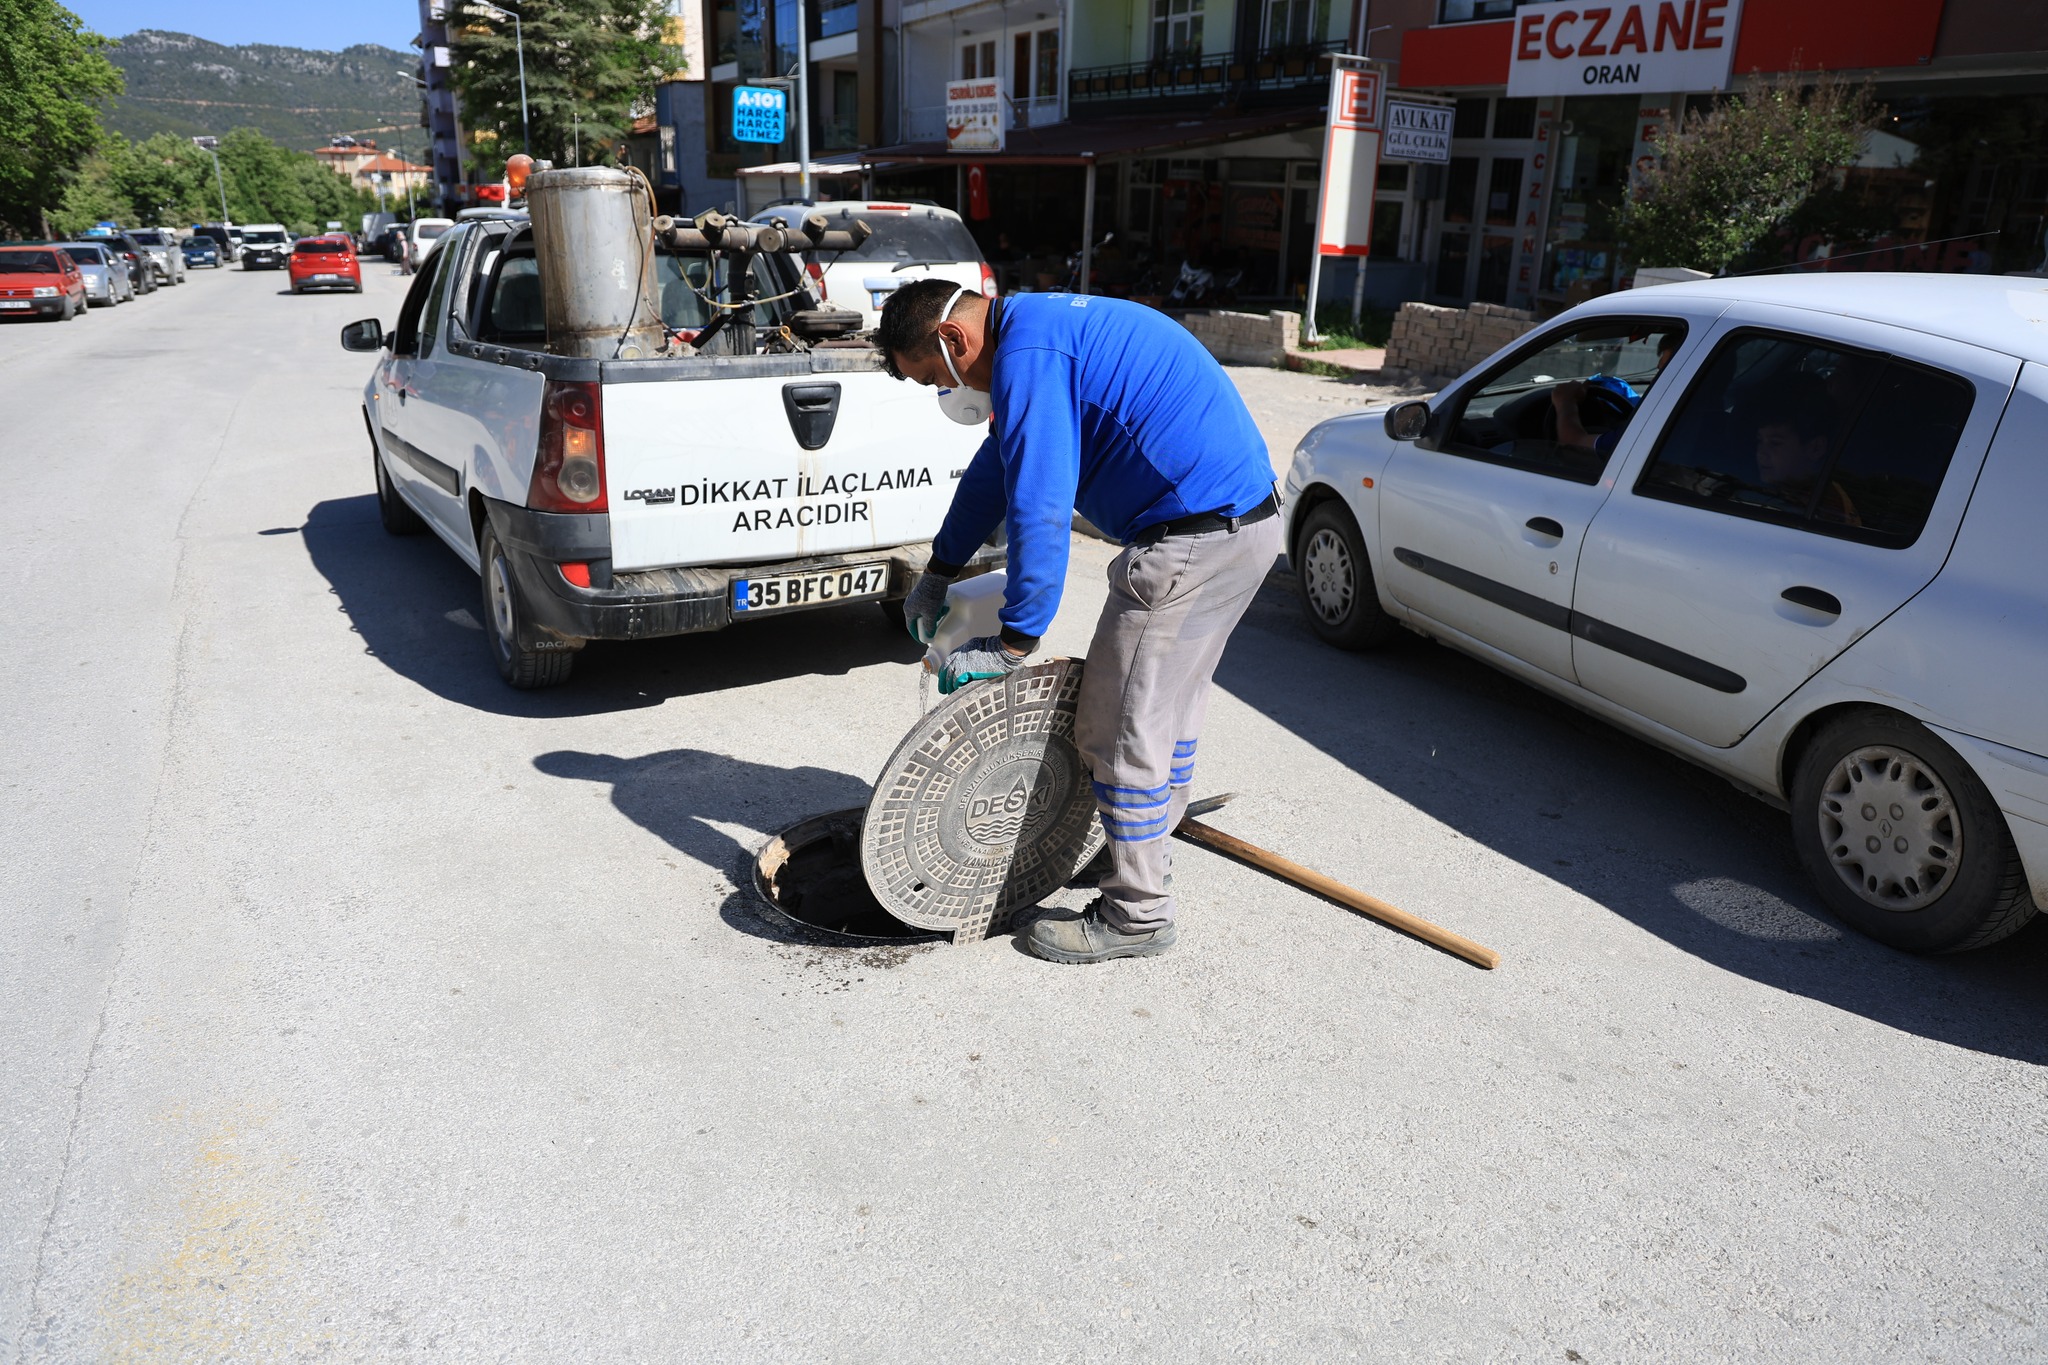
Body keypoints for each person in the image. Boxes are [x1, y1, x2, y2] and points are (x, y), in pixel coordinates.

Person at [877, 279, 1280, 966]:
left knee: (1117, 723)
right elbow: (994, 472)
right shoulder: (1033, 330)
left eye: (927, 380)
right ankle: (1143, 851)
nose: (938, 394)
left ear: (953, 341)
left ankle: (1138, 913)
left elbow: (1038, 507)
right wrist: (940, 568)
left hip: (1194, 539)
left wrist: (1013, 642)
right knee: (1166, 712)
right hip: (1242, 525)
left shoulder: (1029, 356)